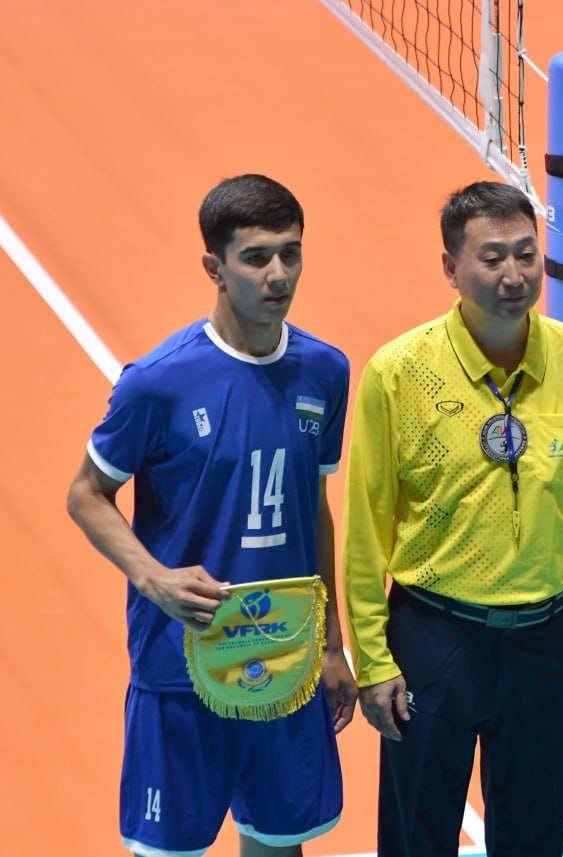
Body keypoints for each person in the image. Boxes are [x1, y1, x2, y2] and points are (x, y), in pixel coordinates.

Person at [66, 174, 356, 857]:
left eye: (290, 253)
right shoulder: (157, 382)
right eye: (256, 257)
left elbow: (313, 509)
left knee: (278, 843)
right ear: (214, 267)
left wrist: (331, 643)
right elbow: (86, 493)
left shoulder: (326, 371)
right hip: (181, 663)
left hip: (284, 657)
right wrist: (154, 578)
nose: (278, 274)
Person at [343, 181, 563, 857]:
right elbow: (366, 533)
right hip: (433, 638)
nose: (514, 275)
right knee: (417, 838)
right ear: (451, 268)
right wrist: (374, 660)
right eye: (493, 257)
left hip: (547, 640)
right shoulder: (398, 372)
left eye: (527, 255)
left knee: (534, 838)